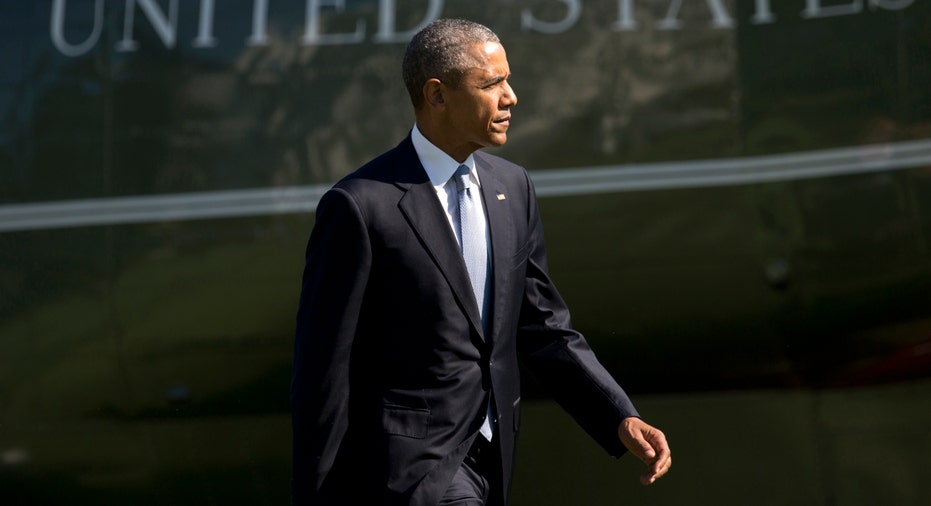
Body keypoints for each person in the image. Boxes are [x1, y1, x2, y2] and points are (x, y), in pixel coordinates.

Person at [291, 18, 671, 506]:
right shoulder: (360, 206)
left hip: (494, 463)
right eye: (491, 84)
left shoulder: (514, 188)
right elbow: (323, 373)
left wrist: (618, 415)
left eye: (507, 80)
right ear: (437, 95)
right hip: (408, 473)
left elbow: (543, 327)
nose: (510, 97)